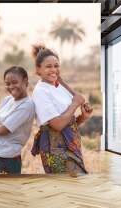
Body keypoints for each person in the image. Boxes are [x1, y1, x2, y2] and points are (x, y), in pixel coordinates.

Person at [30, 44, 93, 176]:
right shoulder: (41, 91)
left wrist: (83, 117)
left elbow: (68, 123)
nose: (53, 70)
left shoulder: (59, 87)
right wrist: (75, 103)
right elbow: (57, 125)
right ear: (38, 70)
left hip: (70, 143)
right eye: (48, 66)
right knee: (67, 185)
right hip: (55, 147)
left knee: (73, 185)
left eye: (56, 66)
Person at [0, 66, 35, 174]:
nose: (11, 86)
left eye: (14, 82)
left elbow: (3, 131)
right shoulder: (7, 100)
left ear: (25, 81)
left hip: (7, 160)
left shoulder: (27, 105)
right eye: (7, 84)